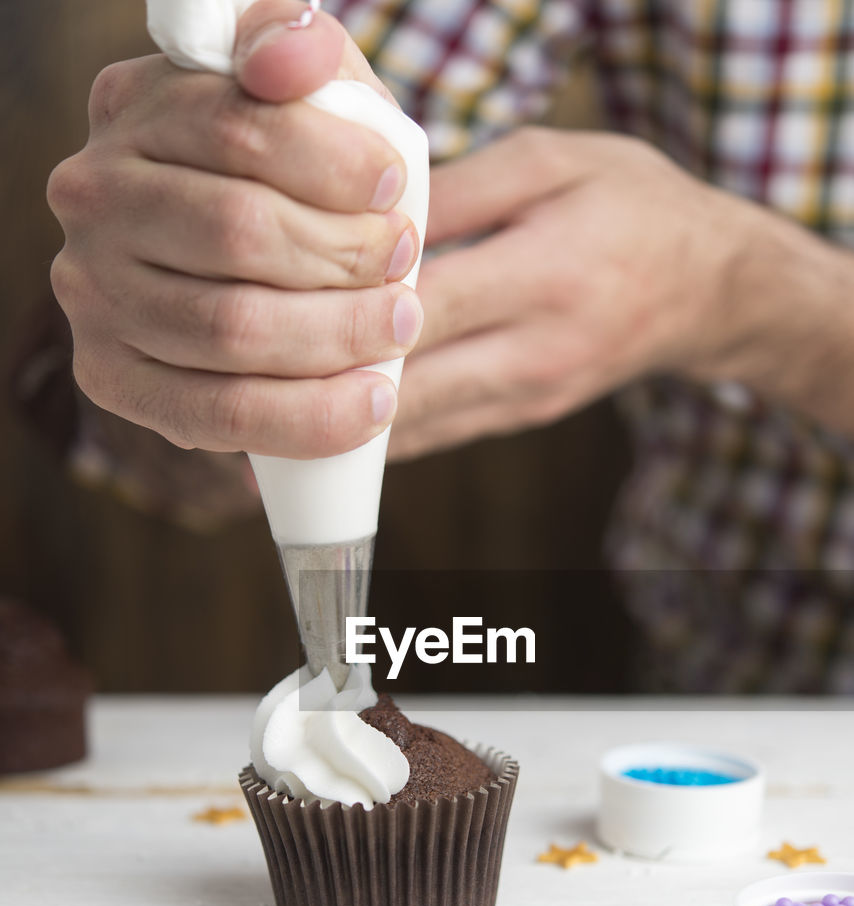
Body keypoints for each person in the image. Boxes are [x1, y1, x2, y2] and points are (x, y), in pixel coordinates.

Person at [46, 0, 854, 692]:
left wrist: (743, 294)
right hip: (732, 701)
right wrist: (217, 291)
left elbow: (742, 294)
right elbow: (308, 168)